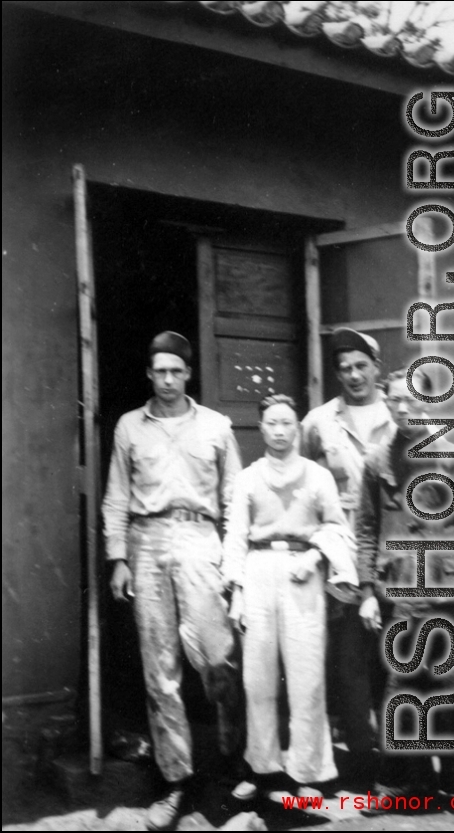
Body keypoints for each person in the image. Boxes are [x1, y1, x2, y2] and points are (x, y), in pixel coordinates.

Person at [102, 331, 243, 831]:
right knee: (159, 666)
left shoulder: (216, 426)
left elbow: (236, 499)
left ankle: (232, 761)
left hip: (201, 540)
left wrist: (235, 563)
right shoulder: (129, 428)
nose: (166, 380)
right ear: (148, 373)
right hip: (148, 543)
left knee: (216, 652)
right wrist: (118, 558)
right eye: (158, 371)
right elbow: (117, 496)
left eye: (175, 371)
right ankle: (176, 780)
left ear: (188, 374)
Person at [357, 367, 454, 807]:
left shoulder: (451, 458)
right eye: (394, 401)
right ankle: (402, 782)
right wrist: (365, 591)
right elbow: (366, 528)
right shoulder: (376, 461)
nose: (403, 408)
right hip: (397, 590)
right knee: (400, 685)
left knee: (448, 684)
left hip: (445, 588)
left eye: (411, 401)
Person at [222, 394, 357, 799]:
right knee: (257, 680)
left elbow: (338, 528)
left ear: (297, 428)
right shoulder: (248, 477)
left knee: (306, 678)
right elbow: (235, 537)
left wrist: (316, 555)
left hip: (302, 574)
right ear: (261, 428)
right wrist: (237, 592)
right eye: (272, 424)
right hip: (259, 572)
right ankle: (262, 769)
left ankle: (307, 773)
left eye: (287, 423)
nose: (279, 432)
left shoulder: (317, 476)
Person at [301, 327, 394, 785]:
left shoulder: (400, 416)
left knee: (396, 655)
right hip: (343, 555)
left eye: (361, 366)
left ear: (376, 367)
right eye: (344, 368)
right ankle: (362, 763)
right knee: (350, 664)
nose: (353, 375)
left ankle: (400, 761)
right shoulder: (318, 423)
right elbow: (302, 485)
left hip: (393, 552)